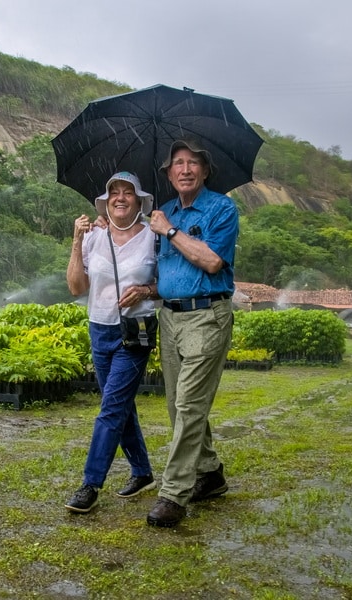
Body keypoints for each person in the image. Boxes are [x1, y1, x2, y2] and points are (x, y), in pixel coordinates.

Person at [144, 138, 237, 527]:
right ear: (168, 173)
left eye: (193, 163)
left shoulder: (221, 208)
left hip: (206, 316)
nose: (185, 169)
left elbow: (212, 262)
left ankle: (174, 492)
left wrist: (169, 232)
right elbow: (163, 272)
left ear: (204, 170)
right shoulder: (162, 211)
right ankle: (210, 473)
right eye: (177, 163)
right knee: (176, 404)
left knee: (188, 406)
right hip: (170, 318)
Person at [64, 171, 160, 513]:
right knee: (118, 405)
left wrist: (146, 290)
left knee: (110, 410)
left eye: (128, 192)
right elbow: (77, 287)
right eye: (114, 192)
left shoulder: (154, 237)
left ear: (140, 201)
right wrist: (77, 239)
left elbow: (170, 284)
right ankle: (142, 471)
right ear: (106, 201)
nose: (120, 197)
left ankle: (90, 484)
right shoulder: (94, 236)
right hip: (99, 329)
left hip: (136, 332)